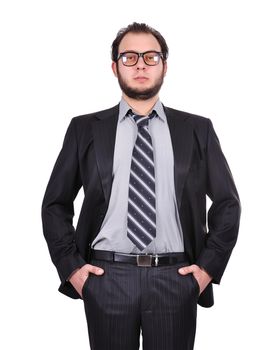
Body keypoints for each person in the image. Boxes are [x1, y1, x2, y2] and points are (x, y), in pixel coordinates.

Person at [41, 22, 241, 350]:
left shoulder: (197, 129)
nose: (140, 65)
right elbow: (55, 204)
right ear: (114, 66)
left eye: (151, 57)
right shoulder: (84, 129)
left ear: (165, 65)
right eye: (129, 57)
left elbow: (227, 203)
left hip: (176, 278)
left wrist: (206, 269)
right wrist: (72, 268)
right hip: (106, 278)